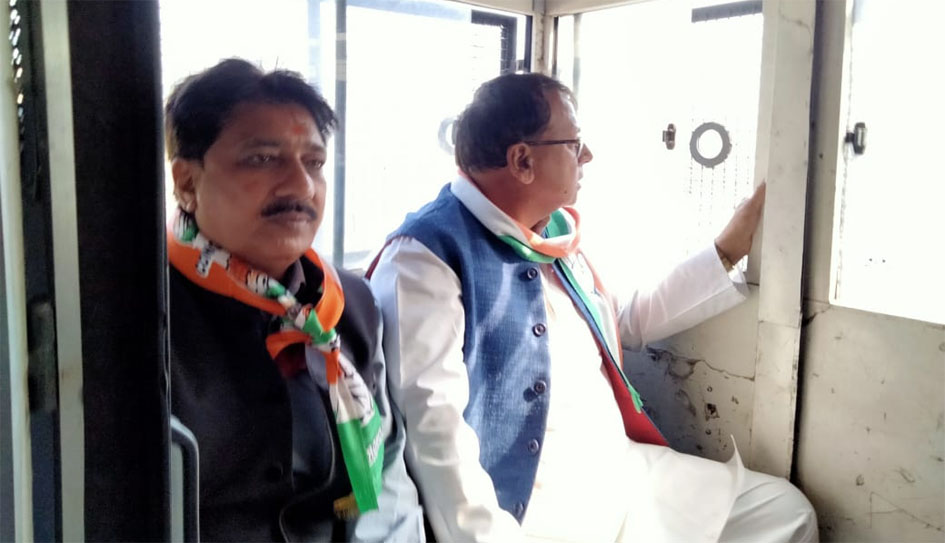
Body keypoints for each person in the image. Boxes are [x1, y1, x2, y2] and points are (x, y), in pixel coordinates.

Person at [367, 73, 817, 542]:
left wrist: (726, 252)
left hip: (622, 473)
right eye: (574, 143)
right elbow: (433, 429)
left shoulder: (551, 233)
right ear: (522, 160)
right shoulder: (424, 259)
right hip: (534, 504)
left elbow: (619, 322)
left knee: (786, 514)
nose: (587, 156)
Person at [165, 58, 423, 542]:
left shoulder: (348, 305)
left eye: (315, 163)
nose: (302, 186)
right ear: (186, 183)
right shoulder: (139, 310)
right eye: (263, 159)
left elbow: (387, 472)